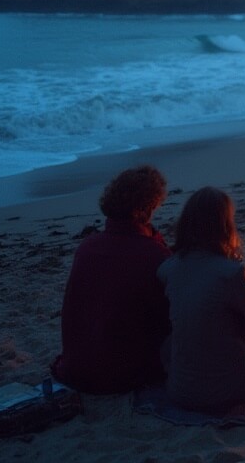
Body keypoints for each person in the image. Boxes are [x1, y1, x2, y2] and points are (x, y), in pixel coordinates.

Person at [158, 186, 245, 415]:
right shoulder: (231, 273)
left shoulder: (167, 269)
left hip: (180, 391)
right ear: (225, 226)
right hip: (230, 390)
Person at [52, 165, 172, 394]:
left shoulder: (87, 247)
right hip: (122, 374)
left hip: (76, 367)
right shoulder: (153, 254)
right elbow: (169, 315)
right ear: (149, 205)